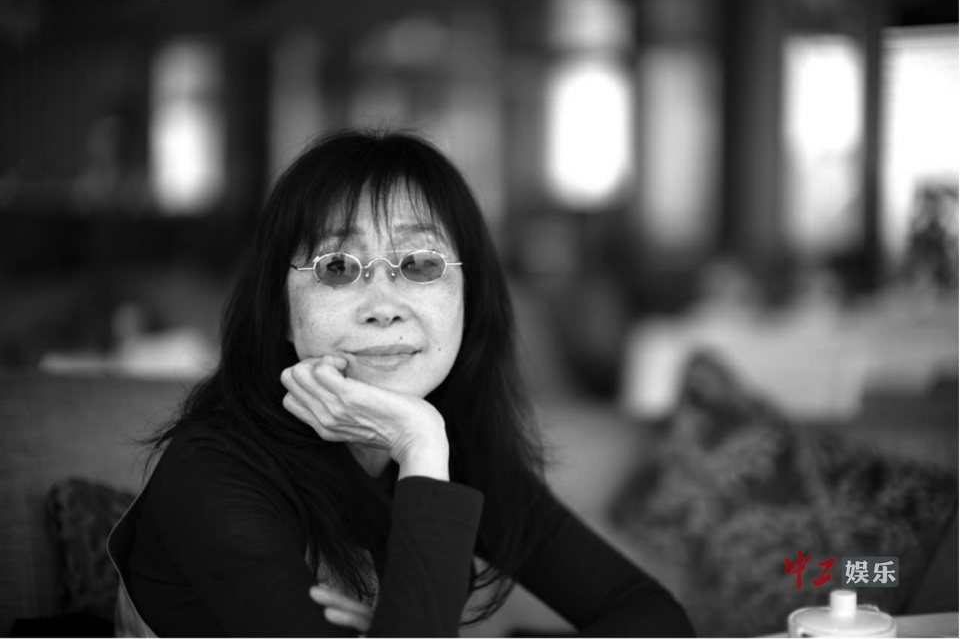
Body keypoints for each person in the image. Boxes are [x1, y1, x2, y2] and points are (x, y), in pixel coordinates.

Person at [107, 130, 695, 637]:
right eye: (338, 267)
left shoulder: (460, 447)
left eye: (421, 264)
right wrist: (419, 444)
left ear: (467, 299)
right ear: (281, 310)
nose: (383, 306)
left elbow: (654, 617)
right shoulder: (213, 474)